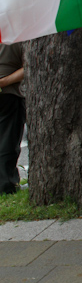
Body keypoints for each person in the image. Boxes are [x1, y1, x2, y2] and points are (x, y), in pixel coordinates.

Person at [0, 43, 25, 195]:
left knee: (7, 143)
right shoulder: (14, 38)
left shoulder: (13, 41)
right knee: (7, 143)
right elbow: (28, 65)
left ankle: (5, 184)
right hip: (8, 94)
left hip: (7, 95)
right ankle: (5, 185)